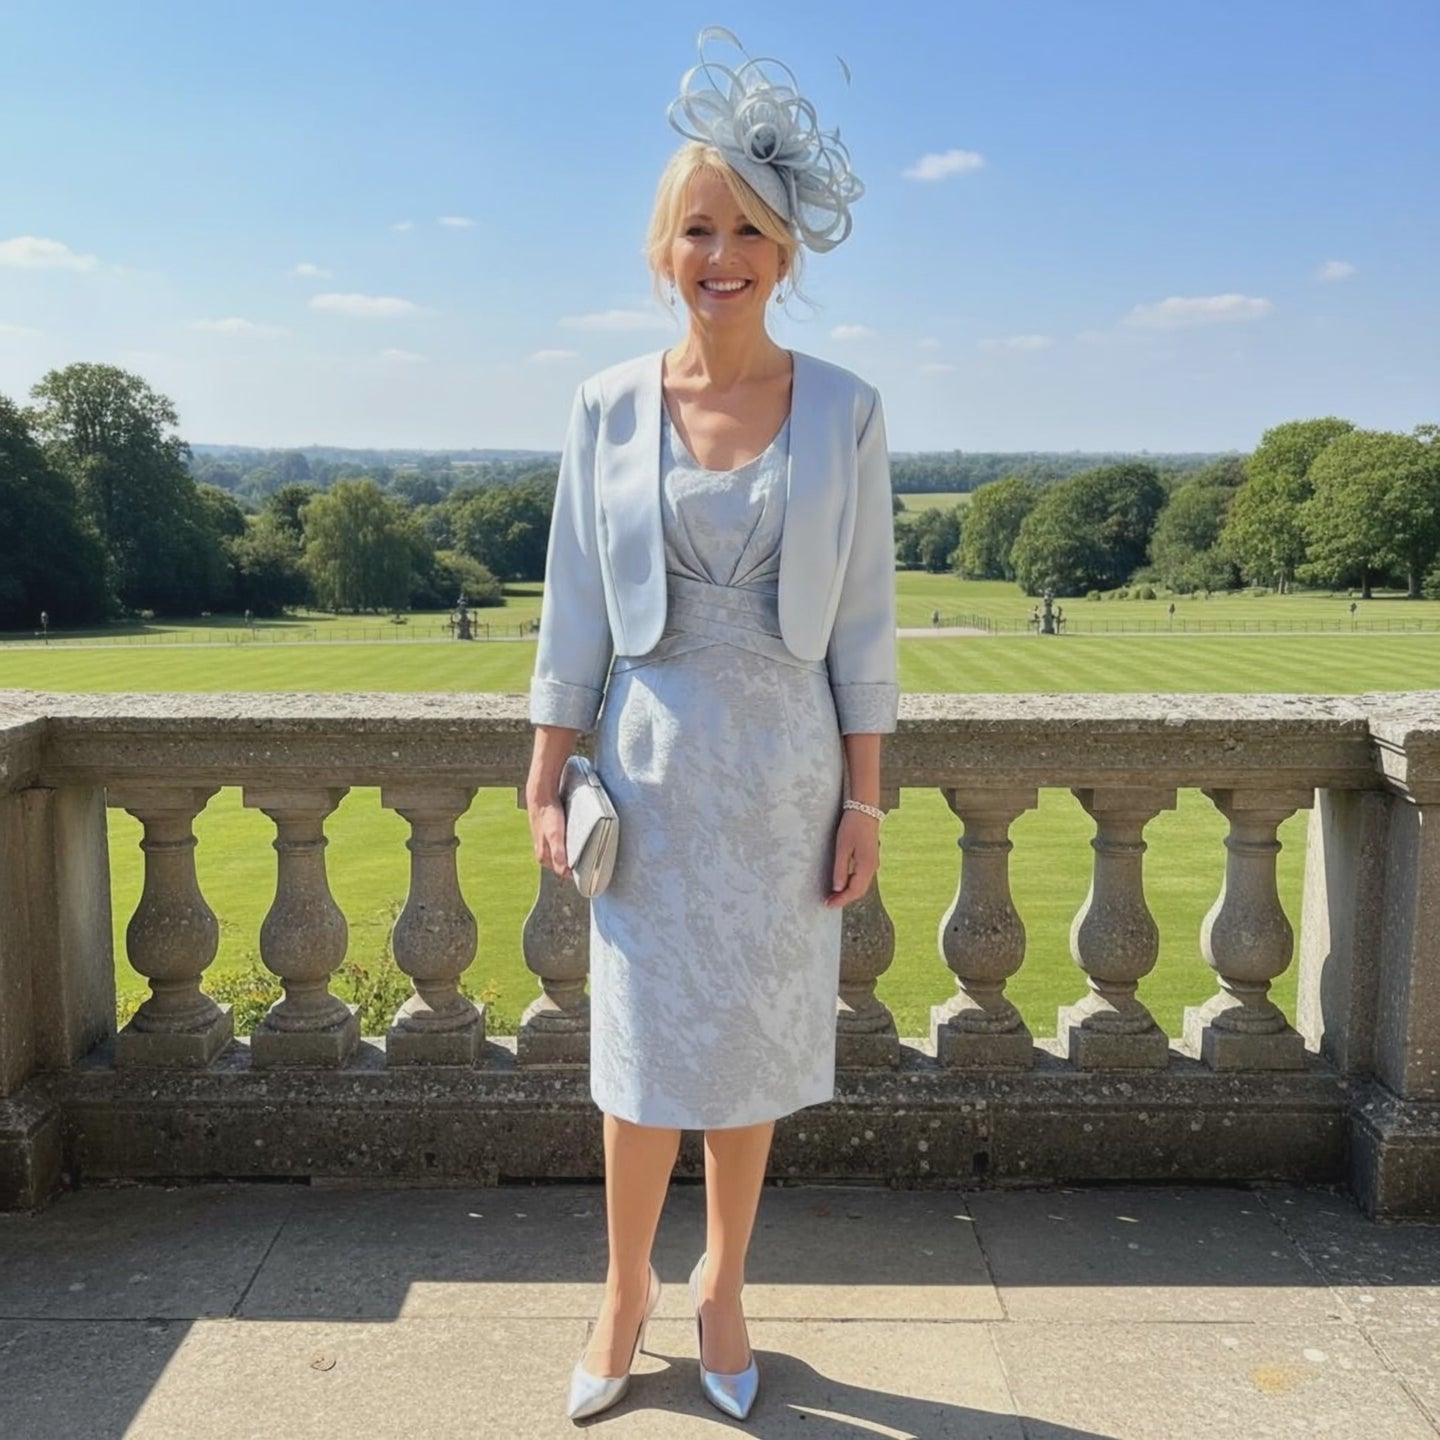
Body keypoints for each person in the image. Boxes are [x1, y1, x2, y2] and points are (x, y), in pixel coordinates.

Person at [525, 27, 897, 1424]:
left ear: (787, 249)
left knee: (747, 1044)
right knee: (636, 1053)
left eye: (748, 225)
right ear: (660, 249)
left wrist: (864, 799)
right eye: (697, 225)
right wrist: (546, 769)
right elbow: (570, 605)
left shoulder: (848, 410)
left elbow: (865, 623)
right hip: (650, 769)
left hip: (788, 777)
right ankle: (622, 1289)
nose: (721, 250)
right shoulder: (605, 407)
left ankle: (724, 1285)